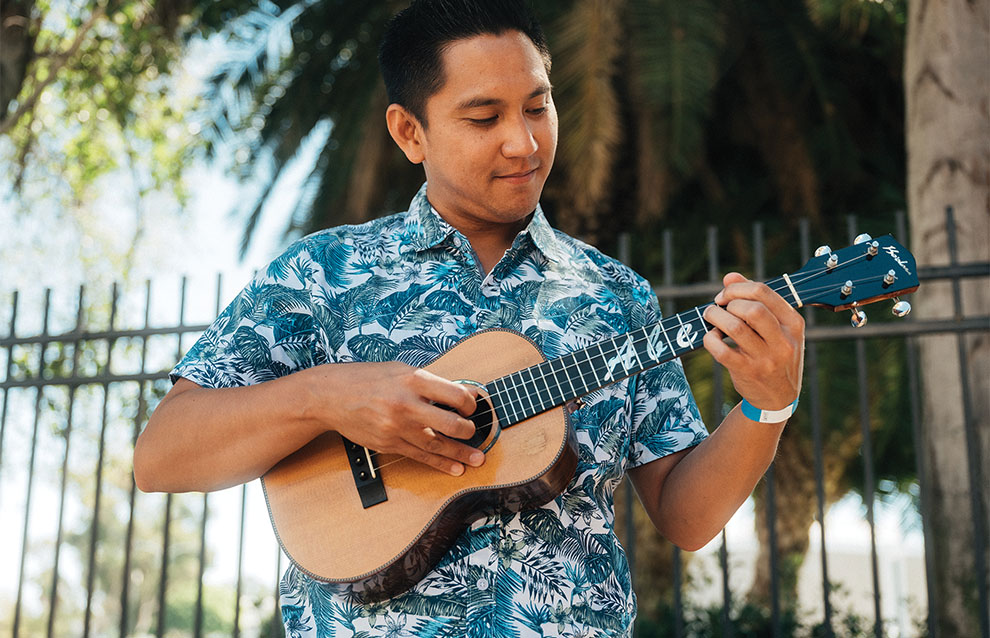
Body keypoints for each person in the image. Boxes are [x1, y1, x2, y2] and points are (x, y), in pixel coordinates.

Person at [133, 1, 804, 636]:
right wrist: (323, 399)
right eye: (484, 118)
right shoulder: (321, 274)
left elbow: (686, 517)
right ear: (409, 131)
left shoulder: (616, 295)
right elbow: (161, 455)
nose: (522, 142)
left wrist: (767, 406)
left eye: (538, 107)